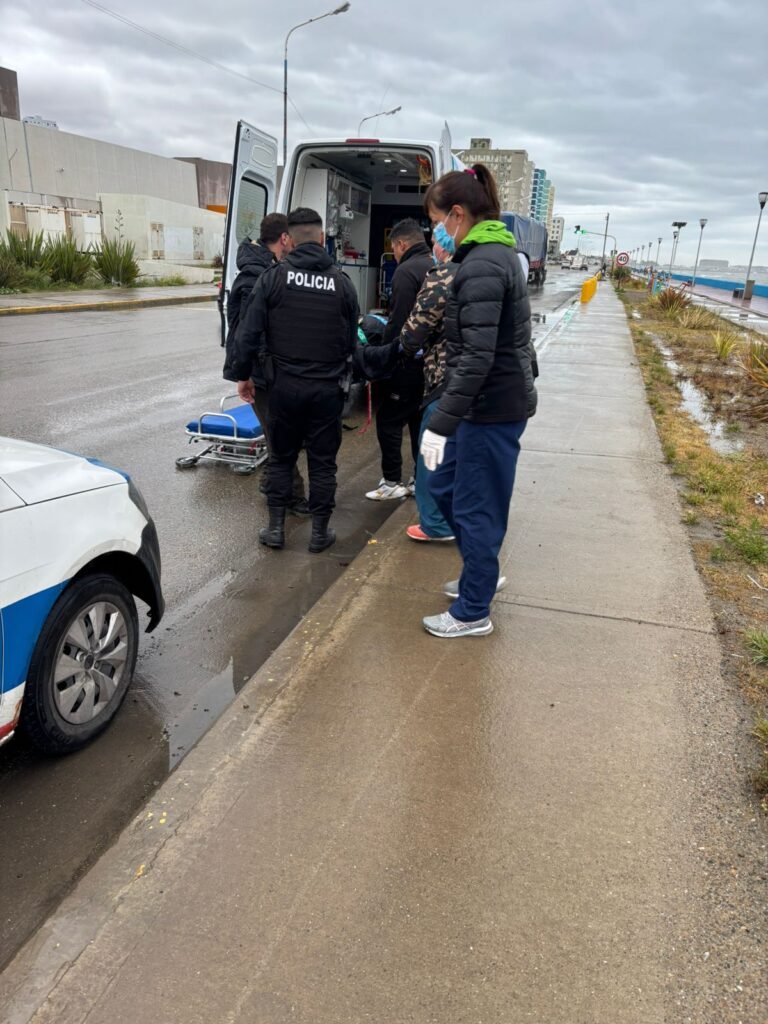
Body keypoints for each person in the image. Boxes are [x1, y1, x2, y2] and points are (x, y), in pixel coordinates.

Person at [418, 164, 538, 638]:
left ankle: (473, 611)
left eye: (435, 220)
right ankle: (478, 576)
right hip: (482, 403)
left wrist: (440, 423)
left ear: (457, 214)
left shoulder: (486, 262)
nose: (435, 231)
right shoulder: (483, 257)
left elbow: (478, 357)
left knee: (475, 506)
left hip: (491, 407)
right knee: (446, 487)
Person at [233, 208, 359, 553]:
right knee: (322, 463)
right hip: (326, 391)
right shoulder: (342, 284)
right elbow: (352, 344)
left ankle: (275, 529)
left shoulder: (273, 279)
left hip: (284, 388)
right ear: (322, 238)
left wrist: (243, 377)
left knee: (280, 458)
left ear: (289, 238)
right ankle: (319, 533)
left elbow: (248, 334)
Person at [223, 213, 307, 512]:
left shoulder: (265, 269)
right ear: (284, 238)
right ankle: (290, 498)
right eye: (292, 239)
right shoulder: (255, 277)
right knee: (280, 440)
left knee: (282, 437)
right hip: (264, 374)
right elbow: (247, 334)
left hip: (272, 371)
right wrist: (244, 375)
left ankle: (275, 484)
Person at [365, 218, 432, 501]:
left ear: (402, 244)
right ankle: (420, 479)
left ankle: (392, 481)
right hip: (429, 362)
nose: (394, 253)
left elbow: (399, 321)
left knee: (389, 420)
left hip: (407, 360)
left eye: (394, 248)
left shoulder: (406, 271)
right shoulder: (434, 265)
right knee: (418, 420)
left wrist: (385, 357)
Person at [397, 242, 457, 543]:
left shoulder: (443, 276)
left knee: (432, 452)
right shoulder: (500, 267)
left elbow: (412, 334)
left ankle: (436, 524)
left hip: (447, 379)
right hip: (493, 380)